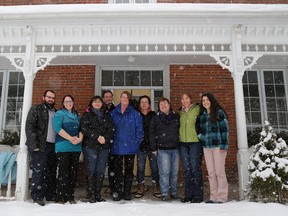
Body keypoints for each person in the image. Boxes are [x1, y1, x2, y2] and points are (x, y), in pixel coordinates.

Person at [109, 91, 144, 201]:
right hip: (116, 147)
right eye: (122, 97)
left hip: (130, 147)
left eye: (126, 97)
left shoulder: (135, 114)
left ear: (129, 100)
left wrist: (136, 142)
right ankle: (118, 192)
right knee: (117, 171)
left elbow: (140, 130)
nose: (124, 99)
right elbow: (109, 129)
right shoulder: (113, 113)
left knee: (129, 171)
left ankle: (127, 192)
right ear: (120, 98)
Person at [25, 90, 57, 206]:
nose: (51, 99)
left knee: (51, 171)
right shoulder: (36, 110)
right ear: (43, 97)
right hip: (40, 146)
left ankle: (49, 194)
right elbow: (30, 128)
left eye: (53, 98)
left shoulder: (55, 112)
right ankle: (37, 196)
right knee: (39, 171)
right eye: (49, 97)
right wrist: (34, 145)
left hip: (52, 146)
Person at [81, 95, 115, 203]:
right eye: (95, 102)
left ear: (102, 103)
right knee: (91, 169)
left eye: (99, 102)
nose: (97, 103)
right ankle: (91, 194)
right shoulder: (87, 114)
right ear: (91, 103)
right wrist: (97, 137)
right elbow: (84, 128)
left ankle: (98, 194)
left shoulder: (106, 114)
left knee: (100, 170)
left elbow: (111, 128)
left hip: (104, 146)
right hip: (90, 146)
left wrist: (105, 137)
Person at [198, 92, 229, 204]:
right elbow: (200, 130)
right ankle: (213, 196)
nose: (205, 102)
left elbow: (225, 130)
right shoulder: (202, 115)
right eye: (203, 101)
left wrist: (224, 146)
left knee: (219, 172)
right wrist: (202, 137)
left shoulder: (219, 113)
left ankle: (222, 197)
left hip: (218, 146)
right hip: (207, 147)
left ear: (211, 101)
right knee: (211, 173)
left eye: (207, 100)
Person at [53, 95, 83, 204]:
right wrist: (70, 138)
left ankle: (70, 196)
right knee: (63, 172)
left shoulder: (76, 116)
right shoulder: (59, 114)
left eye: (70, 101)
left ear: (73, 102)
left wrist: (79, 139)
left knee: (73, 172)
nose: (68, 103)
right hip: (63, 147)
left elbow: (81, 129)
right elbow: (57, 128)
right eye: (66, 102)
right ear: (63, 103)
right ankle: (61, 196)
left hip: (75, 148)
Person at [149, 97, 180, 201]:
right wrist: (153, 148)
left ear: (169, 105)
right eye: (161, 104)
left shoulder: (176, 117)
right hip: (162, 150)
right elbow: (151, 134)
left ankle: (174, 192)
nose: (163, 106)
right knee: (164, 172)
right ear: (159, 107)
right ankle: (165, 193)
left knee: (174, 173)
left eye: (165, 104)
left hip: (175, 149)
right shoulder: (155, 118)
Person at [134, 95, 161, 199]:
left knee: (154, 167)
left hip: (152, 146)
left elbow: (157, 130)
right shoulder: (136, 115)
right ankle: (140, 186)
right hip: (140, 146)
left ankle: (156, 185)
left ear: (149, 104)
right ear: (139, 104)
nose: (144, 104)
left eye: (146, 102)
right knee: (140, 167)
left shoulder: (154, 115)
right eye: (142, 102)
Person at [179, 93, 203, 203]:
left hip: (195, 143)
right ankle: (188, 195)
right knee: (187, 170)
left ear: (190, 99)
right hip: (183, 143)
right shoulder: (180, 112)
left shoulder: (197, 109)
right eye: (183, 99)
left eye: (187, 98)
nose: (185, 100)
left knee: (195, 169)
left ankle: (198, 195)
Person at [102, 90, 116, 196]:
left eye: (110, 97)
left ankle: (112, 187)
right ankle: (96, 188)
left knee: (112, 166)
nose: (108, 98)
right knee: (100, 166)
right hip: (100, 141)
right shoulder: (99, 108)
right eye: (106, 97)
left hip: (112, 142)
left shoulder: (115, 110)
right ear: (103, 98)